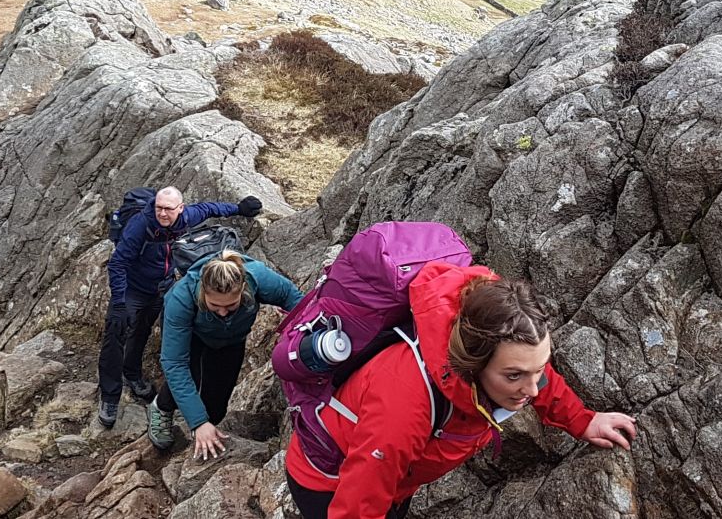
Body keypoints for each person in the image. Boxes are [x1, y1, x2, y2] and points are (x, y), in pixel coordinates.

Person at [283, 262, 637, 518]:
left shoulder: (506, 351)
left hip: (395, 479)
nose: (531, 389)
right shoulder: (405, 403)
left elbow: (538, 377)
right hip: (329, 482)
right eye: (514, 376)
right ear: (474, 365)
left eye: (537, 369)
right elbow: (358, 504)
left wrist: (583, 421)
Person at [98, 187, 262, 428]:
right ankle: (110, 396)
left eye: (168, 209)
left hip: (161, 287)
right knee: (116, 333)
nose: (163, 214)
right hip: (132, 290)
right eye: (159, 208)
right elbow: (118, 263)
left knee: (142, 331)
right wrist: (120, 302)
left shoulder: (186, 217)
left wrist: (239, 208)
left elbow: (211, 209)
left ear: (180, 208)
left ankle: (132, 374)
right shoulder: (140, 226)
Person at [148, 249, 304, 456]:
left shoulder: (258, 277)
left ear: (242, 290)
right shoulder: (181, 299)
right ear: (203, 291)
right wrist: (198, 421)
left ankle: (207, 432)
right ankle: (161, 407)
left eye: (231, 306)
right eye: (215, 305)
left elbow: (298, 303)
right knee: (188, 377)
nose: (222, 312)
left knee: (217, 404)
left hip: (231, 339)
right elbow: (175, 363)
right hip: (193, 333)